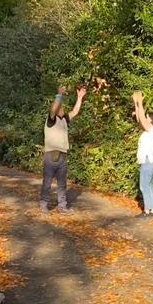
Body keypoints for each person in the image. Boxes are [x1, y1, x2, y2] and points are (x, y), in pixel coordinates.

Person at [40, 85, 87, 213]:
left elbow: (75, 111)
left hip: (62, 155)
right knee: (47, 182)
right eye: (60, 107)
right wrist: (59, 95)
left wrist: (80, 97)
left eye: (62, 107)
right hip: (51, 155)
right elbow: (53, 108)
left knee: (62, 184)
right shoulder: (51, 119)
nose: (62, 108)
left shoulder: (64, 119)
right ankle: (44, 205)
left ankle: (62, 206)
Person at [132, 91, 153, 218]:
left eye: (148, 117)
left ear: (152, 120)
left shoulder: (152, 130)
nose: (146, 118)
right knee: (149, 185)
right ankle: (152, 210)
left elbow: (142, 119)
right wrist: (136, 104)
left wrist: (140, 102)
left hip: (148, 162)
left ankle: (148, 211)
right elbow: (140, 120)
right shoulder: (149, 131)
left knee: (144, 186)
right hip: (149, 162)